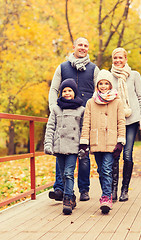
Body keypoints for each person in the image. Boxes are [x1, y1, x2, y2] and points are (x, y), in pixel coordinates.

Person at [48, 37, 100, 201]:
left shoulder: (93, 69)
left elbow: (99, 91)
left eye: (86, 45)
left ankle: (84, 189)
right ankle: (59, 189)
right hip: (64, 117)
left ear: (88, 48)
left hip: (84, 118)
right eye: (80, 45)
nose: (83, 48)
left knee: (83, 154)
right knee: (61, 151)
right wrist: (53, 109)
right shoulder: (63, 67)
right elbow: (54, 89)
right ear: (74, 47)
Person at [79, 69, 126, 214]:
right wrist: (84, 142)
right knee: (101, 170)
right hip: (96, 141)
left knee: (106, 169)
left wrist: (120, 141)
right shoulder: (90, 102)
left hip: (111, 142)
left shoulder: (117, 102)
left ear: (111, 85)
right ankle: (106, 195)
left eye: (106, 83)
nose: (104, 86)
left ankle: (106, 197)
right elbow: (86, 122)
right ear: (97, 85)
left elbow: (121, 122)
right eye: (101, 83)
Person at [110, 47, 141, 202]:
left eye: (121, 58)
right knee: (115, 154)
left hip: (131, 120)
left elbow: (140, 97)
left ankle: (125, 189)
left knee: (127, 154)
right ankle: (112, 190)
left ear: (125, 59)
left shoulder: (134, 75)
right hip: (114, 120)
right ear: (112, 59)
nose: (118, 61)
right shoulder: (108, 76)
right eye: (115, 58)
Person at [44, 78, 85, 214]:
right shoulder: (56, 109)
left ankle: (67, 199)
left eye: (70, 90)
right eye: (64, 91)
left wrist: (84, 146)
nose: (67, 93)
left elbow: (83, 129)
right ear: (61, 93)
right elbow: (50, 127)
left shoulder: (81, 110)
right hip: (59, 146)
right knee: (62, 175)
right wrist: (48, 144)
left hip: (73, 147)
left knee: (69, 173)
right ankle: (71, 195)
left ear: (75, 92)